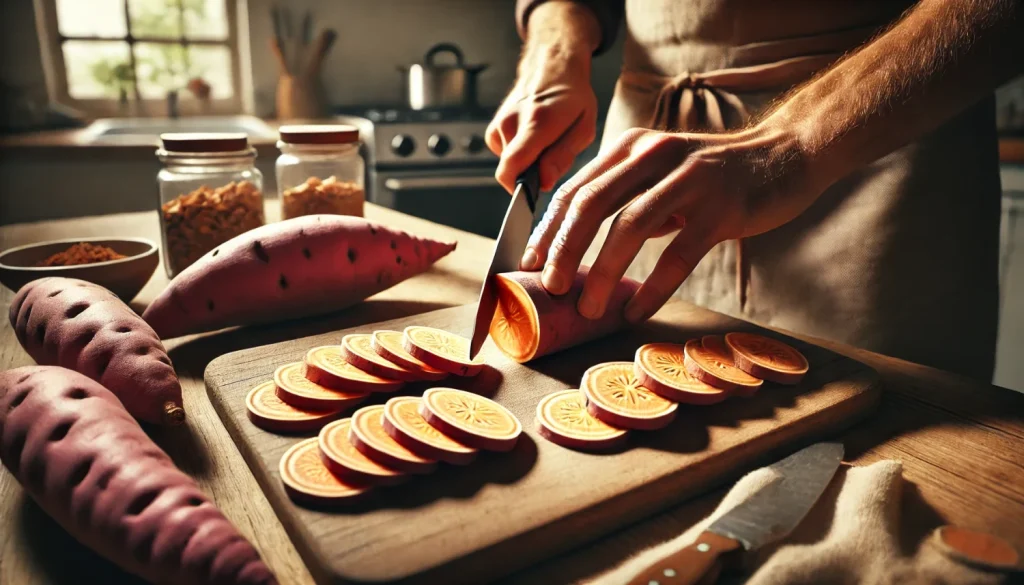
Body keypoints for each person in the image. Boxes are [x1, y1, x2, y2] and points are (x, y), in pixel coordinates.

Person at [487, 0, 1024, 380]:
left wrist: (795, 144)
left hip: (874, 142)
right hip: (652, 163)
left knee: (875, 419)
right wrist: (555, 46)